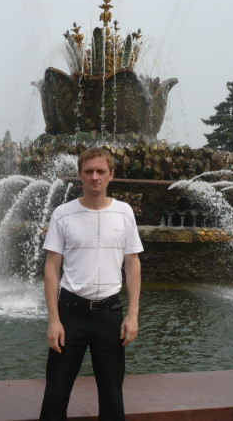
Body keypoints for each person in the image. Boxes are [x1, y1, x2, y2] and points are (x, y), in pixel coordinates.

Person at [39, 147, 143, 421]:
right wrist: (54, 320)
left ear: (111, 175)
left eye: (100, 171)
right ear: (80, 175)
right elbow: (52, 268)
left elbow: (132, 264)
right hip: (70, 314)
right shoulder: (63, 213)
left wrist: (132, 315)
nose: (94, 176)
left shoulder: (124, 212)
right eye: (89, 171)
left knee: (112, 396)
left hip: (110, 314)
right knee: (55, 394)